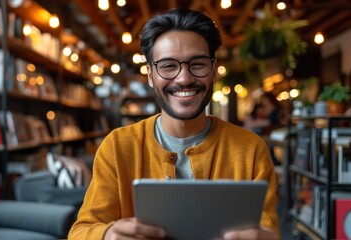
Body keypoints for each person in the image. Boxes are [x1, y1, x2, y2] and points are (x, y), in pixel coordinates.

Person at [68, 8, 279, 240]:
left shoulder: (251, 149)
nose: (184, 78)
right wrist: (107, 235)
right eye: (168, 66)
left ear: (213, 70)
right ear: (150, 74)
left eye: (197, 64)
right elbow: (81, 231)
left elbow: (268, 231)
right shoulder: (117, 146)